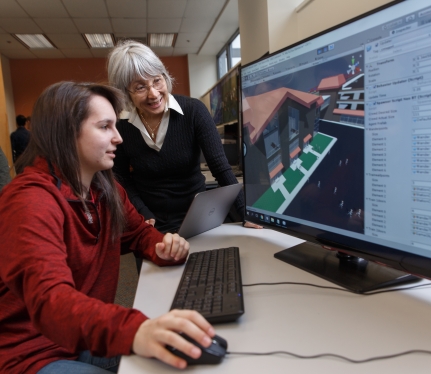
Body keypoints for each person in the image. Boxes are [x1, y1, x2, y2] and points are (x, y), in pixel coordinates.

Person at [0, 81, 217, 373]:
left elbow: (139, 234)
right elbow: (51, 302)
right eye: (105, 127)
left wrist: (162, 246)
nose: (118, 138)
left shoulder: (104, 188)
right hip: (32, 355)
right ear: (66, 133)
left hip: (81, 341)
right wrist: (136, 331)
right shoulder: (30, 200)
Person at [107, 40, 261, 233]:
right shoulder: (122, 127)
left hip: (197, 217)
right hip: (150, 223)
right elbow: (122, 180)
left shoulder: (193, 110)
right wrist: (142, 213)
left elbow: (221, 168)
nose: (153, 94)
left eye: (157, 80)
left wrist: (245, 212)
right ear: (125, 93)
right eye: (140, 87)